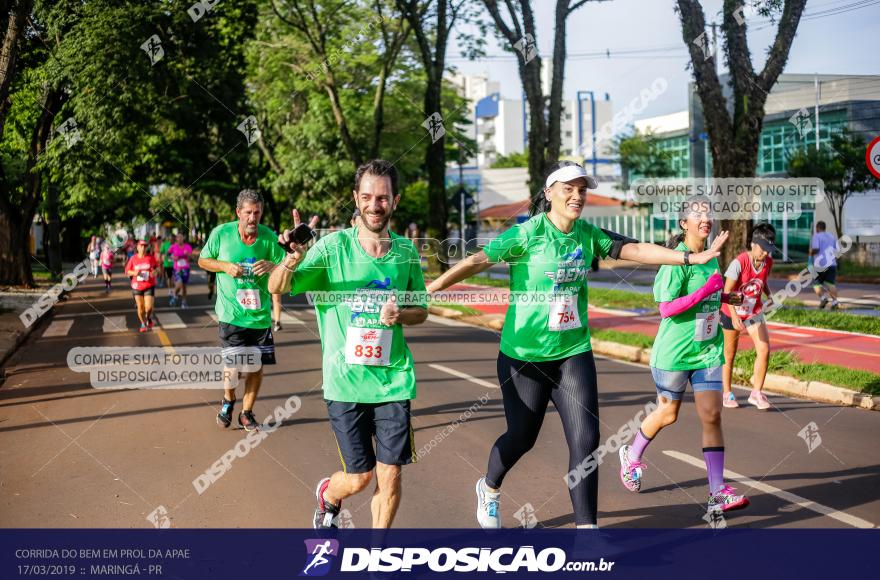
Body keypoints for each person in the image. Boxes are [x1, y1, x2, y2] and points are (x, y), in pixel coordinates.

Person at [427, 161, 728, 529]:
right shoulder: (528, 234)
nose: (577, 195)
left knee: (587, 439)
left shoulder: (587, 233)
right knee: (522, 437)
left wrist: (688, 257)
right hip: (524, 357)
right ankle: (489, 488)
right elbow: (477, 260)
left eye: (582, 189)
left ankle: (587, 529)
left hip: (573, 352)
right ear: (549, 192)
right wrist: (431, 289)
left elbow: (633, 250)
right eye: (569, 188)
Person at [269, 159, 428, 530]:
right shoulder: (331, 248)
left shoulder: (404, 252)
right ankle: (328, 494)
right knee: (360, 478)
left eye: (384, 197)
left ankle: (376, 557)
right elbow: (277, 286)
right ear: (356, 198)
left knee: (390, 476)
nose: (376, 205)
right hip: (345, 382)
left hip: (393, 379)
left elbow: (421, 309)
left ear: (395, 200)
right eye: (368, 197)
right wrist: (292, 257)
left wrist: (401, 315)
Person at [618, 197, 749, 517]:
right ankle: (631, 455)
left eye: (708, 214)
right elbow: (666, 308)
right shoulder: (675, 261)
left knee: (712, 416)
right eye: (698, 215)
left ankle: (717, 491)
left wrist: (727, 296)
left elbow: (711, 292)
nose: (706, 219)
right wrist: (706, 292)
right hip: (674, 354)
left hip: (707, 350)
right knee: (668, 414)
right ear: (683, 223)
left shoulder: (711, 257)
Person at [199, 190, 288, 431]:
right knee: (233, 366)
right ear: (238, 212)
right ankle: (228, 400)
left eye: (257, 212)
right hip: (231, 314)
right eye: (248, 212)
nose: (252, 218)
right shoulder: (222, 234)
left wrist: (273, 266)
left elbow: (286, 265)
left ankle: (246, 413)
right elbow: (203, 260)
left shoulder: (269, 238)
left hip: (259, 317)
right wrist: (224, 266)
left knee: (256, 368)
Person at [721, 223, 776, 409]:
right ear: (753, 244)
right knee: (729, 355)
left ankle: (756, 393)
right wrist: (735, 317)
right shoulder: (740, 262)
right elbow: (727, 292)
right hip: (731, 311)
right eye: (763, 249)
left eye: (769, 250)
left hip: (753, 311)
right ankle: (727, 394)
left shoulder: (768, 262)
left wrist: (770, 295)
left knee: (764, 349)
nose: (766, 254)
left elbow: (762, 281)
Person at [125, 239, 159, 332]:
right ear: (138, 247)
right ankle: (143, 323)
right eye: (141, 246)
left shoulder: (150, 258)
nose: (143, 248)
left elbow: (156, 268)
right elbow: (127, 271)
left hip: (149, 284)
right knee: (140, 307)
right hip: (137, 286)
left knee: (148, 307)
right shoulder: (133, 258)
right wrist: (135, 272)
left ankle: (148, 318)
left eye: (145, 246)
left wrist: (155, 272)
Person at [810, 221, 839, 309]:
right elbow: (836, 251)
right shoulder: (832, 236)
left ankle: (823, 298)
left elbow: (816, 249)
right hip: (832, 264)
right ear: (824, 227)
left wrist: (810, 253)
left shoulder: (816, 236)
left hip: (820, 264)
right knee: (831, 284)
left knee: (816, 283)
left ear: (818, 228)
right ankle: (835, 302)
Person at [168, 233, 193, 308]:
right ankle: (175, 295)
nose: (180, 239)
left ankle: (184, 302)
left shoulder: (187, 247)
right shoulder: (173, 247)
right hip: (177, 269)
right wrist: (173, 257)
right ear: (176, 239)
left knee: (184, 286)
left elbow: (191, 258)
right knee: (179, 284)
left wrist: (188, 255)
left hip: (185, 268)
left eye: (181, 237)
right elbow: (168, 255)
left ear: (183, 238)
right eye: (178, 237)